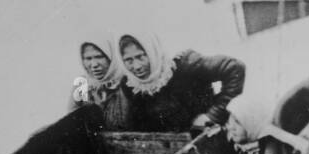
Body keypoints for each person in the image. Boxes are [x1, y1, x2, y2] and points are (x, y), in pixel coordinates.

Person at [104, 30, 245, 133]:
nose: (136, 66)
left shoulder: (185, 64)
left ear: (152, 51)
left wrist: (213, 115)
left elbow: (235, 68)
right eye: (128, 60)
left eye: (141, 56)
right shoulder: (131, 85)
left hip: (209, 137)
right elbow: (139, 125)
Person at [69, 34, 127, 116]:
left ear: (110, 57)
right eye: (88, 58)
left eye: (99, 57)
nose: (94, 65)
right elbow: (72, 119)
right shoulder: (82, 84)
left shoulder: (127, 82)